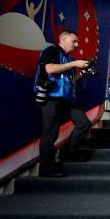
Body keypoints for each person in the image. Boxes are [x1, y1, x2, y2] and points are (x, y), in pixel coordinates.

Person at [35, 30, 92, 178]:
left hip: (67, 99)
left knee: (83, 123)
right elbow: (50, 69)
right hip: (51, 97)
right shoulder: (51, 50)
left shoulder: (68, 58)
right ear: (63, 39)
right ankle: (46, 168)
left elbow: (70, 80)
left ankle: (67, 154)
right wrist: (74, 63)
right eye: (74, 41)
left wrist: (82, 73)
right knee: (51, 133)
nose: (77, 44)